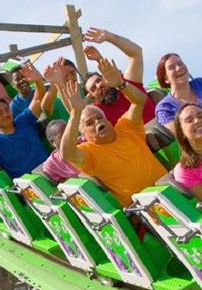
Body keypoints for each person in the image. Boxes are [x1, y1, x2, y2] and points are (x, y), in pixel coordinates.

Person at [57, 56, 166, 207]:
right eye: (90, 123)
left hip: (168, 189)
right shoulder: (89, 153)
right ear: (84, 135)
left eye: (99, 118)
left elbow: (139, 101)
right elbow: (66, 153)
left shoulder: (125, 127)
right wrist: (75, 113)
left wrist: (121, 84)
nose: (97, 122)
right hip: (145, 207)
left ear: (108, 120)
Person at [0, 65, 50, 178]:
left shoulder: (23, 121)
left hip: (50, 172)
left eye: (7, 110)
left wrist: (38, 81)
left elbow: (37, 99)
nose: (5, 114)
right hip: (29, 183)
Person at [82, 27, 157, 124]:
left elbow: (136, 53)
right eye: (93, 88)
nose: (99, 85)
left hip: (164, 129)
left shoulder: (128, 82)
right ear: (92, 98)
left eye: (99, 80)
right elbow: (78, 116)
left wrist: (109, 37)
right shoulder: (99, 114)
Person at [154, 53, 202, 133]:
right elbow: (179, 137)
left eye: (180, 63)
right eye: (171, 67)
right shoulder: (165, 108)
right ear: (166, 79)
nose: (178, 68)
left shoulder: (201, 83)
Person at [40, 119, 81, 183]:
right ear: (52, 142)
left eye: (70, 132)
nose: (69, 137)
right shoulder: (52, 164)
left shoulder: (84, 142)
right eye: (63, 136)